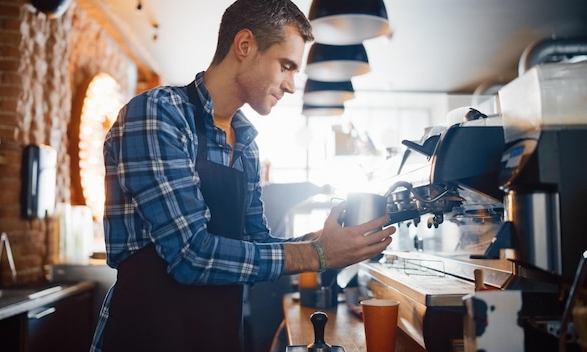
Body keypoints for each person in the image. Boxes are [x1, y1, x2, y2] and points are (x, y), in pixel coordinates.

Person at [90, 1, 395, 351]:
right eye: (286, 66)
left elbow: (255, 244)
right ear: (245, 45)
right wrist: (319, 255)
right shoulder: (159, 114)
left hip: (217, 336)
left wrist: (332, 241)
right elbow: (191, 255)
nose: (292, 85)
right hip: (147, 336)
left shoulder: (246, 140)